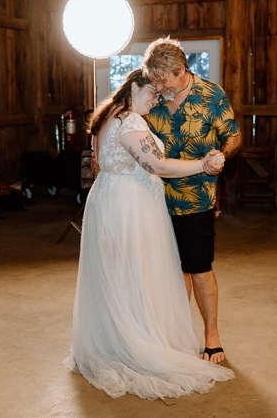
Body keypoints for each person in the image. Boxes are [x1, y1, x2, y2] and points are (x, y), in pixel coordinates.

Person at [66, 69, 234, 400]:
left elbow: (101, 162)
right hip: (127, 209)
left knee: (118, 275)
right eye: (152, 94)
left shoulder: (106, 118)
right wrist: (203, 165)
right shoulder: (129, 122)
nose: (156, 99)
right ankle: (135, 344)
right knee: (134, 274)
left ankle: (115, 338)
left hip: (109, 202)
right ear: (134, 88)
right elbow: (157, 165)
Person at [142, 37, 241, 365]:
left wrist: (221, 155)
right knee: (169, 269)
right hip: (153, 196)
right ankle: (176, 333)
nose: (158, 85)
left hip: (195, 196)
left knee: (197, 266)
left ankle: (211, 334)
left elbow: (234, 135)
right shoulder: (151, 95)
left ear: (182, 70)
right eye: (153, 79)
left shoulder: (211, 95)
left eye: (163, 79)